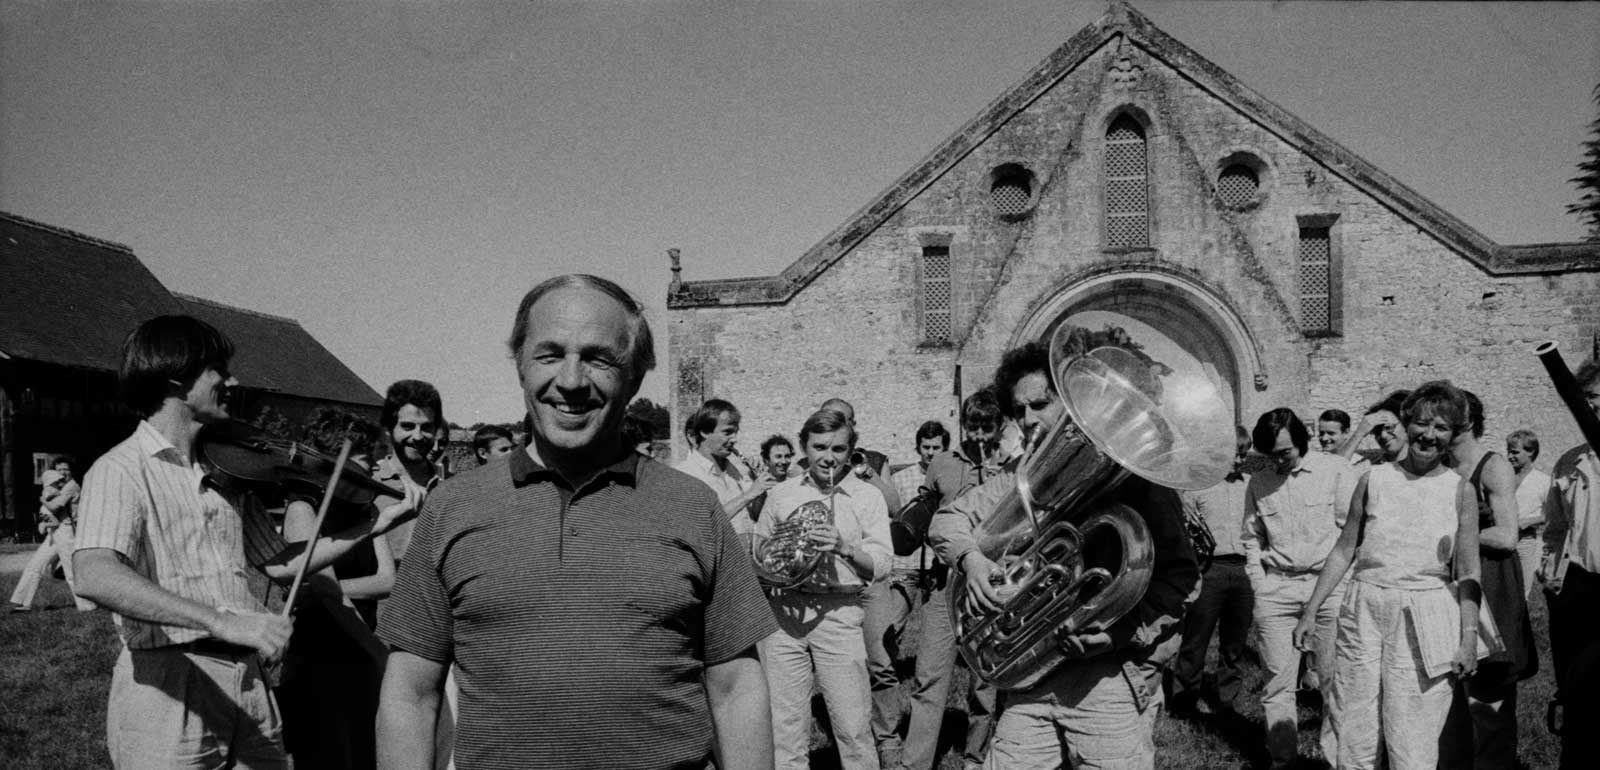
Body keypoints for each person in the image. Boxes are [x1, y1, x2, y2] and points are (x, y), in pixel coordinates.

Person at [377, 274, 774, 770]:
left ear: (636, 375)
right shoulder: (454, 507)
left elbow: (736, 687)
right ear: (519, 363)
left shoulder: (693, 506)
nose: (570, 381)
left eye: (598, 358)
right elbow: (411, 692)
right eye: (549, 354)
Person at [71, 314, 423, 770]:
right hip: (171, 684)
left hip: (249, 684)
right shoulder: (120, 469)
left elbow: (283, 564)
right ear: (178, 376)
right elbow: (93, 573)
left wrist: (374, 524)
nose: (231, 381)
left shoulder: (226, 475)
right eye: (218, 369)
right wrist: (221, 622)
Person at [929, 333, 1199, 770]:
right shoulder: (1020, 478)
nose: (1028, 418)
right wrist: (972, 561)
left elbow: (1181, 579)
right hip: (1031, 677)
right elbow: (947, 519)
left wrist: (1119, 631)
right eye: (1019, 410)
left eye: (1040, 404)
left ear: (1076, 401)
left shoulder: (1140, 478)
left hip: (1106, 677)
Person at [1293, 381, 1484, 770]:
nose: (1429, 435)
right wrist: (1311, 611)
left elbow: (1468, 570)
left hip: (1425, 610)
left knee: (1412, 729)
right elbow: (1346, 548)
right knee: (1354, 720)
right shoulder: (1374, 479)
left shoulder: (1459, 490)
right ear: (1406, 422)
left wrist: (1468, 639)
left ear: (1453, 435)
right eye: (1422, 424)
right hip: (1364, 607)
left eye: (1442, 428)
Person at [756, 407, 893, 770]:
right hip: (784, 613)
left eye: (838, 449)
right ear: (804, 447)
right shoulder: (782, 494)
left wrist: (844, 547)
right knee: (785, 731)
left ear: (851, 451)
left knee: (852, 728)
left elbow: (881, 565)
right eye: (819, 448)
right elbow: (760, 549)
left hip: (839, 612)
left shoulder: (867, 496)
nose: (828, 458)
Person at [894, 389, 1005, 770]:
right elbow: (925, 511)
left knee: (985, 681)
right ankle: (916, 763)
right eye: (971, 426)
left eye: (986, 427)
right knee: (929, 675)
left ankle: (976, 757)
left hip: (992, 583)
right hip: (945, 583)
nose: (977, 436)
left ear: (1000, 426)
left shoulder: (1012, 466)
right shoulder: (941, 461)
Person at [276, 418, 395, 770]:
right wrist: (379, 654)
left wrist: (320, 591)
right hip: (318, 657)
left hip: (360, 653)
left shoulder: (368, 510)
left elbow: (387, 580)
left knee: (365, 756)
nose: (377, 465)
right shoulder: (303, 510)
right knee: (323, 758)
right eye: (367, 456)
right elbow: (332, 599)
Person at [1242, 407, 1356, 769]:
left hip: (1329, 587)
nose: (1278, 460)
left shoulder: (1335, 470)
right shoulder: (1259, 482)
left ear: (1302, 442)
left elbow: (1352, 535)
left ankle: (1337, 760)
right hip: (1277, 589)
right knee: (1277, 685)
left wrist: (1345, 584)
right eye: (1271, 454)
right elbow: (1250, 538)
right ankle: (1283, 761)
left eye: (1285, 452)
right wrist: (1261, 587)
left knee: (1334, 681)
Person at [1439, 391, 1537, 770]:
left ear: (1464, 423)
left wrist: (1454, 534)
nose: (1434, 431)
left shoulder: (1493, 466)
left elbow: (1508, 535)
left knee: (1489, 700)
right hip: (1451, 583)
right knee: (1450, 697)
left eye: (1442, 422)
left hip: (1492, 585)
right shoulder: (1442, 467)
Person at [870, 419, 951, 767]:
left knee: (933, 653)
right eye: (925, 447)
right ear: (918, 447)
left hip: (939, 570)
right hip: (905, 570)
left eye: (936, 447)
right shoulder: (903, 478)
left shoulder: (952, 475)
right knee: (887, 640)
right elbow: (895, 519)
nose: (930, 453)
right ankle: (886, 732)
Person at [1168, 426, 1253, 718]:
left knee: (1235, 643)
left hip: (1244, 569)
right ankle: (1183, 700)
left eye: (1243, 455)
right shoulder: (1197, 487)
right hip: (1209, 568)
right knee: (1196, 639)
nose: (1239, 461)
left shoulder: (1251, 485)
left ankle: (1227, 700)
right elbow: (1183, 531)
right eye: (1233, 455)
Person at [1540, 358, 1600, 770]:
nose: (1595, 409)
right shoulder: (1569, 463)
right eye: (1590, 400)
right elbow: (1556, 529)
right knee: (1579, 692)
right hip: (1581, 589)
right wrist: (1551, 571)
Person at [374, 379, 448, 566]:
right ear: (389, 430)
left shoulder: (450, 486)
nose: (417, 437)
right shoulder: (368, 483)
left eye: (426, 427)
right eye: (407, 426)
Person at [675, 399, 775, 537]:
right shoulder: (684, 474)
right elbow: (702, 526)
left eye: (735, 432)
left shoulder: (735, 470)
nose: (735, 439)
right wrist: (750, 494)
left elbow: (754, 516)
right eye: (727, 432)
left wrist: (760, 492)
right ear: (704, 431)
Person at [8, 457, 94, 611]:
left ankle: (86, 605)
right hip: (55, 532)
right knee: (35, 565)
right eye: (59, 469)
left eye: (65, 469)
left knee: (70, 571)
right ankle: (23, 602)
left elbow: (55, 506)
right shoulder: (58, 486)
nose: (63, 472)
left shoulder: (72, 486)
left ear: (71, 471)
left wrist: (42, 499)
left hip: (67, 531)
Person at [1506, 428, 1555, 598]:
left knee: (1522, 594)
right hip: (1502, 541)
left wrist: (1529, 521)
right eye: (1508, 451)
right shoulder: (1504, 478)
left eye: (1515, 452)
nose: (1509, 456)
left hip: (1525, 542)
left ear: (1530, 452)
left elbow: (1555, 515)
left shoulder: (1543, 481)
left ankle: (1522, 623)